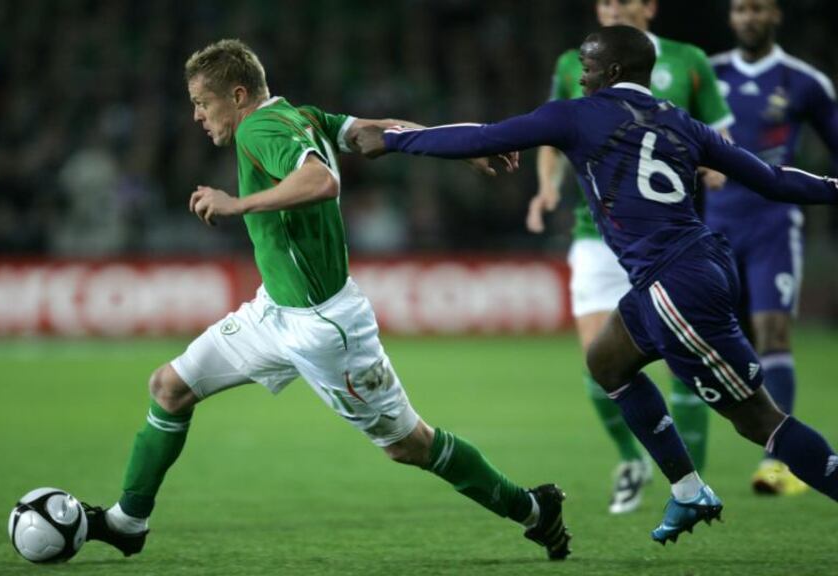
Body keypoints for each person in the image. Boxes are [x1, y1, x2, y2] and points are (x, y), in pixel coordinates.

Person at [80, 39, 571, 561]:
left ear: (238, 94)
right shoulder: (300, 115)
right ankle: (128, 522)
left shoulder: (259, 128)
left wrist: (237, 204)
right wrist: (465, 142)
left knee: (409, 445)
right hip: (274, 312)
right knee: (171, 386)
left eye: (202, 102)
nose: (197, 115)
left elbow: (322, 180)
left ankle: (535, 510)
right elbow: (374, 133)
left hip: (324, 328)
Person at [358, 25, 838, 545]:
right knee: (607, 360)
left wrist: (394, 139)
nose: (580, 78)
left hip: (676, 285)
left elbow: (481, 136)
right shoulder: (684, 124)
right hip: (680, 271)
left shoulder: (577, 115)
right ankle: (687, 490)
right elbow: (773, 180)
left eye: (586, 69)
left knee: (757, 420)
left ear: (611, 72)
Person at [529, 0, 734, 515]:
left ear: (648, 7)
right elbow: (550, 134)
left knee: (689, 362)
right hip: (596, 232)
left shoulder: (688, 61)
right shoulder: (574, 63)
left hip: (668, 238)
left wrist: (715, 162)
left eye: (623, 0)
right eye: (604, 2)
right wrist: (546, 188)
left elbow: (718, 131)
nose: (612, 8)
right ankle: (631, 460)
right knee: (600, 361)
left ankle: (692, 481)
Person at [706, 0, 838, 496]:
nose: (748, 18)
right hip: (713, 227)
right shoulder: (708, 74)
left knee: (773, 331)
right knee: (710, 343)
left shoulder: (805, 82)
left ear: (775, 15)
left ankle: (777, 466)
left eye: (758, 9)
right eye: (740, 9)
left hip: (773, 225)